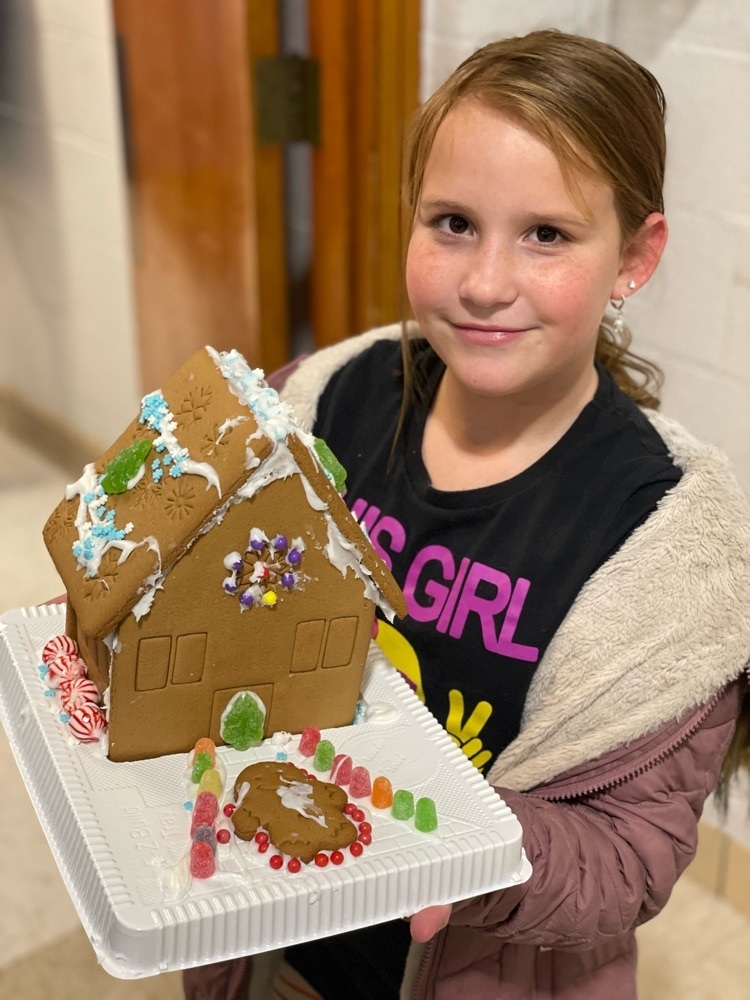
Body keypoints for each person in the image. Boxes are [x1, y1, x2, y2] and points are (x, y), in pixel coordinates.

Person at [184, 28, 750, 1000]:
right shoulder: (331, 398)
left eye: (547, 234)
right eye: (452, 222)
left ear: (634, 255)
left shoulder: (666, 546)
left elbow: (631, 853)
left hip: (473, 962)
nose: (486, 282)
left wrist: (462, 850)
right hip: (270, 936)